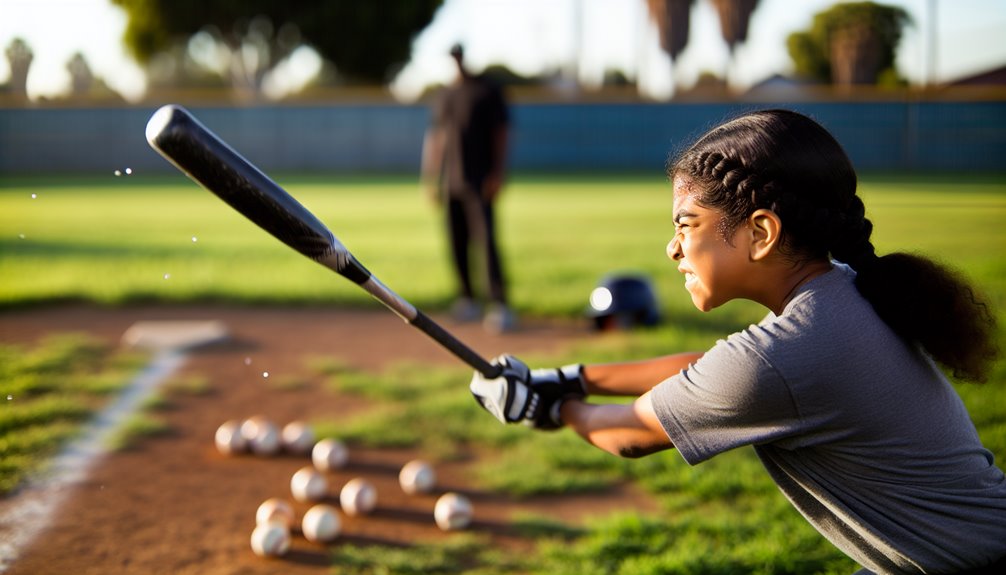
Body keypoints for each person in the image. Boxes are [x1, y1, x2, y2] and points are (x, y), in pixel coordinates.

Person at [470, 109, 1005, 573]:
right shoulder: (844, 293)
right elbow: (708, 367)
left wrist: (550, 407)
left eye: (687, 225)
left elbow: (629, 434)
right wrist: (571, 379)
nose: (672, 248)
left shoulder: (784, 357)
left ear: (761, 233)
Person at [422, 43, 515, 333]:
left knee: (486, 241)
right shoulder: (445, 94)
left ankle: (499, 303)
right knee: (456, 241)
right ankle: (467, 299)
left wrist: (497, 172)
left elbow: (501, 132)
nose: (456, 62)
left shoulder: (486, 90)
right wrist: (430, 178)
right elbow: (436, 137)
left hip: (479, 179)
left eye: (458, 56)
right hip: (452, 181)